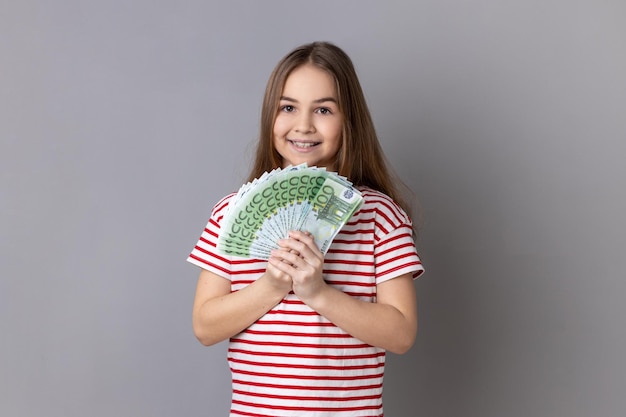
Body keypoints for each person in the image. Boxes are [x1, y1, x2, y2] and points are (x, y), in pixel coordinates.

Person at [187, 41, 424, 417]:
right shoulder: (229, 213)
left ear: (349, 120)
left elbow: (401, 333)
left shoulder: (380, 217)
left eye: (324, 109)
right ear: (271, 116)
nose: (303, 125)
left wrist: (317, 293)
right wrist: (272, 286)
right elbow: (205, 326)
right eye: (288, 107)